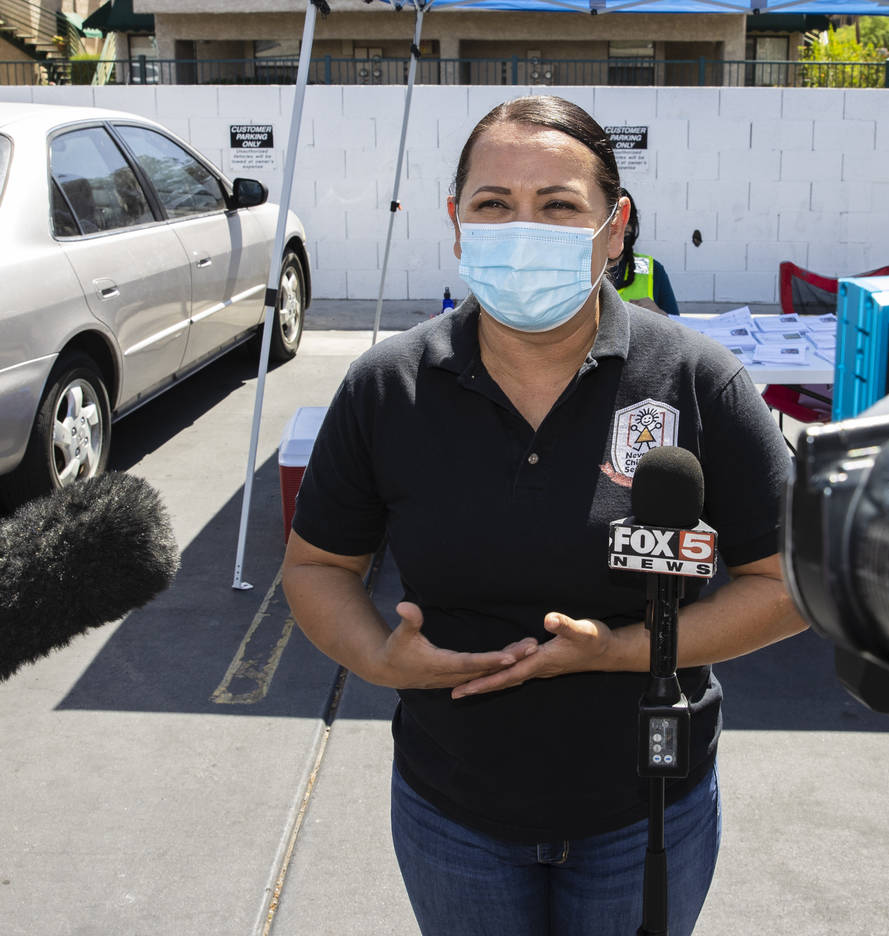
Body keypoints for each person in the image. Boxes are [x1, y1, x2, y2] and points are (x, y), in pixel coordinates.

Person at [281, 94, 808, 936]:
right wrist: (381, 659)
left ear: (615, 225)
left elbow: (786, 583)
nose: (523, 228)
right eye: (494, 204)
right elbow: (316, 568)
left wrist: (619, 654)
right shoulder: (387, 388)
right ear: (457, 223)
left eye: (559, 205)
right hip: (453, 810)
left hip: (645, 812)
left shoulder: (699, 383)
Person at [607, 186, 680, 316]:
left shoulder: (653, 270)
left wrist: (659, 315)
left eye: (623, 223)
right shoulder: (573, 271)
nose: (616, 231)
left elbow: (679, 328)